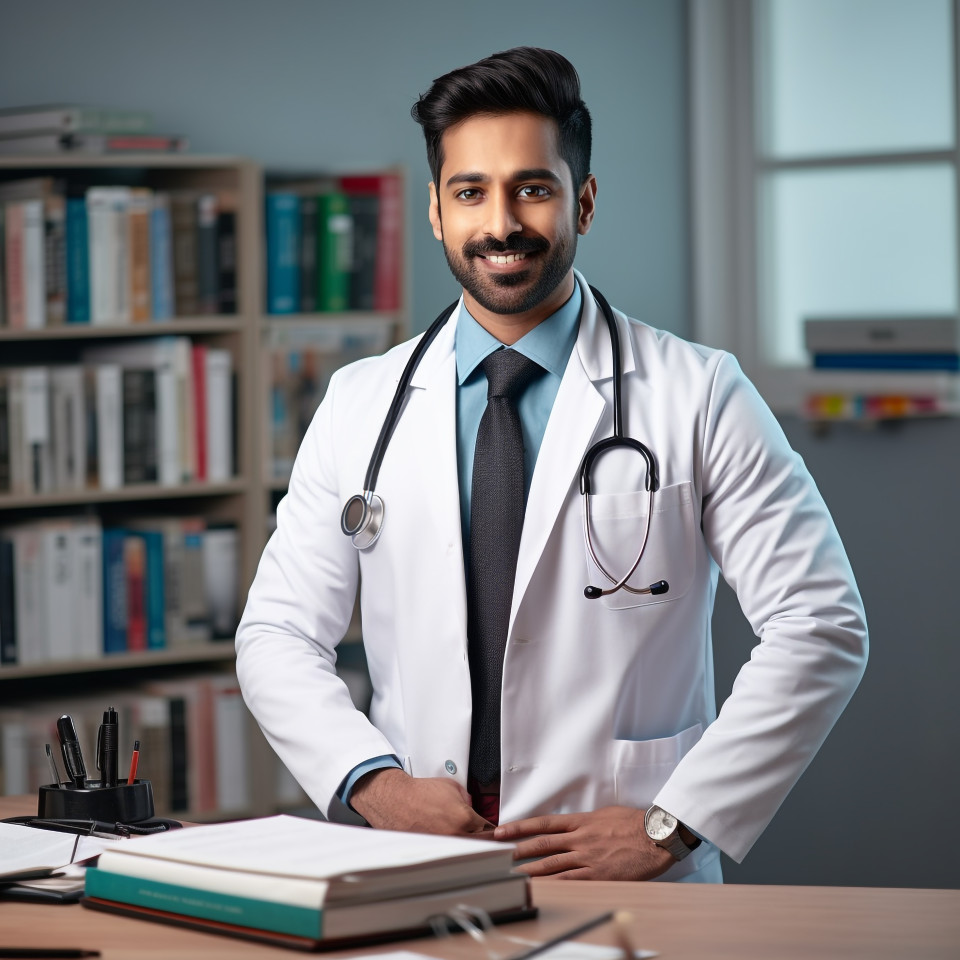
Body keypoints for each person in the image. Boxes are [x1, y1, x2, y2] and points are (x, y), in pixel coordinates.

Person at [236, 47, 868, 883]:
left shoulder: (700, 393)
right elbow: (277, 633)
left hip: (627, 873)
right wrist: (371, 784)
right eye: (470, 192)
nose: (501, 222)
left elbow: (819, 623)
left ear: (586, 201)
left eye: (533, 187)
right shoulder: (361, 402)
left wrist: (674, 824)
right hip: (417, 861)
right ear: (434, 210)